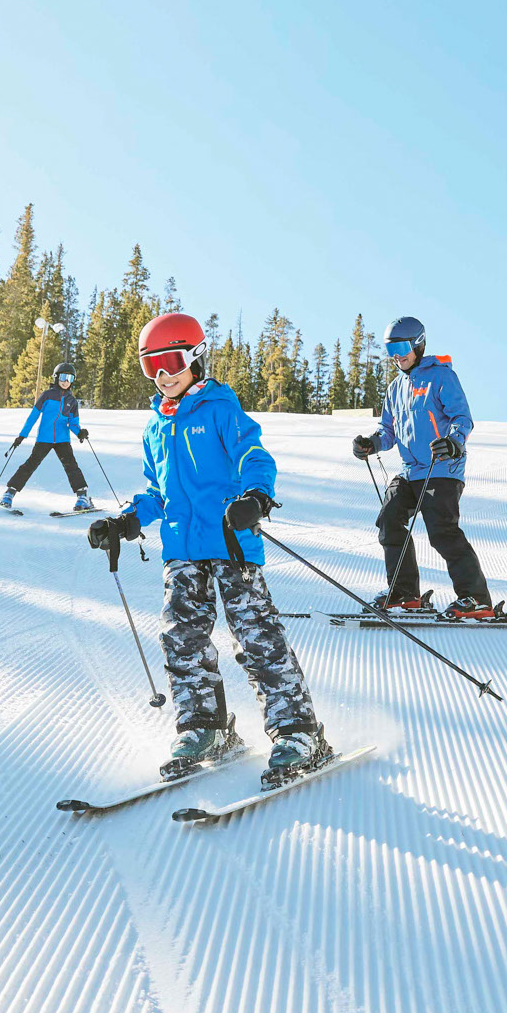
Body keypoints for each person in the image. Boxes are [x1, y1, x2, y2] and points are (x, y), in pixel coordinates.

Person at [87, 312, 333, 790]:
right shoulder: (155, 429)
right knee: (182, 639)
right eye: (150, 366)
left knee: (256, 636)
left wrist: (256, 496)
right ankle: (204, 727)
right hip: (181, 551)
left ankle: (298, 732)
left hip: (230, 543)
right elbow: (157, 491)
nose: (163, 375)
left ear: (196, 357)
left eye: (171, 360)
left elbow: (252, 455)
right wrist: (127, 521)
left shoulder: (221, 408)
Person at [351, 315, 505, 622]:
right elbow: (388, 431)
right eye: (390, 348)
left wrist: (453, 442)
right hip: (411, 470)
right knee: (389, 519)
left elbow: (462, 418)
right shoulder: (396, 388)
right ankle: (405, 594)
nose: (397, 355)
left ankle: (476, 598)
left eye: (402, 346)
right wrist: (371, 443)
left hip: (443, 467)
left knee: (441, 531)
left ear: (418, 344)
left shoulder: (441, 377)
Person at [1, 362, 95, 512]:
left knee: (71, 466)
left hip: (62, 440)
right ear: (56, 377)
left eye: (70, 378)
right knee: (30, 465)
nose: (66, 381)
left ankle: (82, 496)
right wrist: (22, 435)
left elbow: (73, 423)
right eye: (63, 377)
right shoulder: (47, 395)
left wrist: (79, 432)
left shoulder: (72, 401)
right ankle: (9, 493)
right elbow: (33, 416)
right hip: (44, 438)